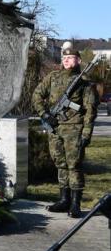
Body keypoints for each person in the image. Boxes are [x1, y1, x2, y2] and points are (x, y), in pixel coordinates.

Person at [32, 47, 99, 218]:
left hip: (74, 129)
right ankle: (64, 200)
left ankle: (75, 204)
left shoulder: (84, 82)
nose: (67, 60)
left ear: (78, 61)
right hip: (55, 128)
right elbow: (37, 95)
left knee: (74, 166)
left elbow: (90, 111)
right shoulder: (52, 77)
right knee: (60, 164)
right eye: (65, 57)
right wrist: (45, 114)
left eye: (71, 57)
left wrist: (86, 134)